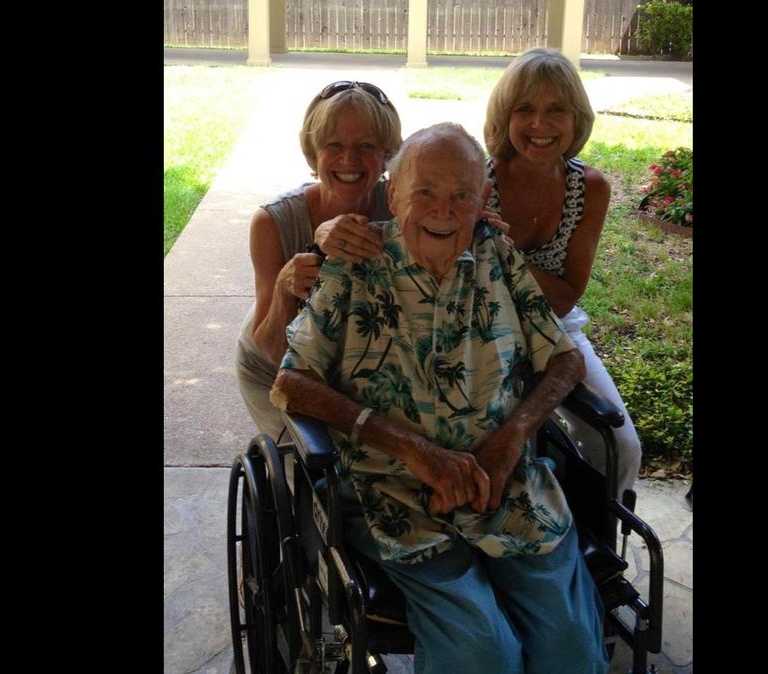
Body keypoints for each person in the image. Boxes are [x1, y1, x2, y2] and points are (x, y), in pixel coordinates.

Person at [270, 123, 608, 674]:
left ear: (484, 201)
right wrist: (411, 449)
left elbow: (563, 357)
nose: (443, 210)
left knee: (570, 648)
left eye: (461, 195)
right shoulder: (357, 260)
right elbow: (291, 382)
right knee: (482, 653)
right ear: (394, 191)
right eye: (424, 191)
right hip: (397, 497)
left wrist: (511, 437)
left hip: (508, 490)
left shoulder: (497, 251)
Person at [482, 47, 644, 502]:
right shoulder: (477, 178)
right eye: (525, 109)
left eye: (557, 110)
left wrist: (499, 248)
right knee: (499, 449)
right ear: (504, 115)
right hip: (477, 327)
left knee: (621, 446)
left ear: (577, 119)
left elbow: (565, 297)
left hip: (555, 330)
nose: (540, 125)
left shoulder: (589, 188)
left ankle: (599, 539)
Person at [236, 81, 402, 440]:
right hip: (274, 367)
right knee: (326, 473)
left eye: (366, 146)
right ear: (314, 153)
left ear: (387, 153)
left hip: (352, 360)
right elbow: (272, 348)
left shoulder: (399, 206)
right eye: (334, 146)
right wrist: (284, 288)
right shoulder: (273, 222)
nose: (349, 160)